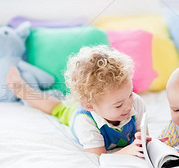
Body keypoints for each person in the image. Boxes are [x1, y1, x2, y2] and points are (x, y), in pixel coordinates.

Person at [6, 45, 150, 157]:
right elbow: (98, 156)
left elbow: (143, 138)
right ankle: (23, 90)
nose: (129, 105)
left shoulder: (135, 102)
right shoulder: (84, 121)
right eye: (118, 105)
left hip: (92, 102)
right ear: (89, 105)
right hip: (75, 112)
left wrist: (147, 143)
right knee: (57, 107)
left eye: (130, 94)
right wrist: (127, 151)